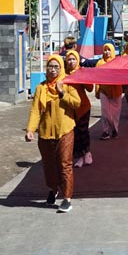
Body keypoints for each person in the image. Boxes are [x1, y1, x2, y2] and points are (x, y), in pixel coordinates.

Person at [25, 54, 80, 213]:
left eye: (57, 67)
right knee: (49, 165)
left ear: (61, 68)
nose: (53, 70)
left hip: (65, 130)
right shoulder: (41, 88)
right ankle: (53, 189)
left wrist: (62, 93)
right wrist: (30, 129)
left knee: (65, 164)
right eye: (50, 66)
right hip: (45, 133)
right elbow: (35, 110)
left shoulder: (67, 84)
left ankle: (67, 198)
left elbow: (77, 103)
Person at [65, 50, 94, 168]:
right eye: (69, 59)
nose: (71, 62)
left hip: (83, 107)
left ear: (77, 60)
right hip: (70, 109)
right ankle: (79, 156)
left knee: (83, 131)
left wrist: (84, 77)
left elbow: (90, 88)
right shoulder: (64, 73)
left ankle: (86, 153)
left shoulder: (81, 72)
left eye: (74, 59)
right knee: (74, 134)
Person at [95, 43, 123, 139]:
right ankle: (105, 131)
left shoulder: (117, 62)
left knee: (115, 113)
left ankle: (115, 130)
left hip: (116, 90)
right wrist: (97, 90)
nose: (106, 52)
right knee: (105, 112)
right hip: (104, 90)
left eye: (108, 50)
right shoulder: (100, 63)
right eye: (105, 50)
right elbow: (96, 78)